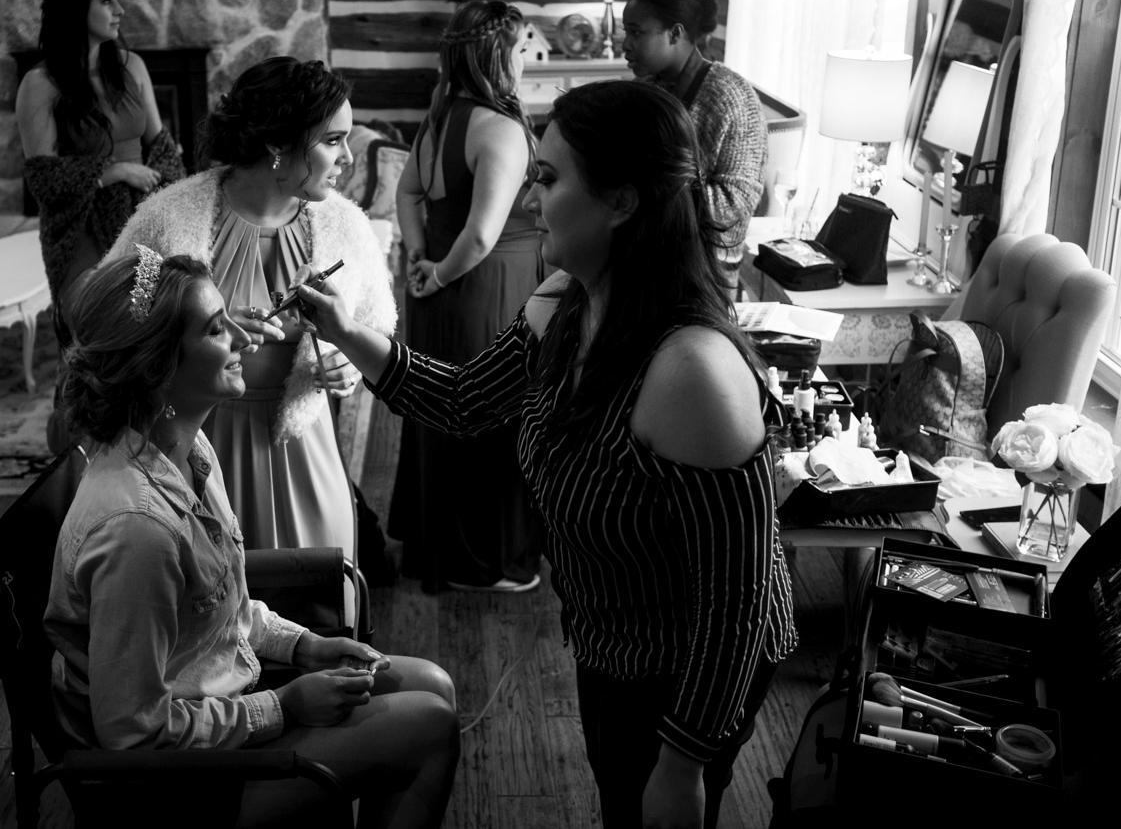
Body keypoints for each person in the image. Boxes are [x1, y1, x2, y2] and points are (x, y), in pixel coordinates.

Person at [297, 79, 795, 829]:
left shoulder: (693, 370)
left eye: (549, 177)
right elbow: (465, 399)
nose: (530, 199)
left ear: (623, 200)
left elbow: (736, 603)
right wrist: (344, 329)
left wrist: (684, 761)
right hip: (609, 641)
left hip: (690, 676)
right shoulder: (567, 299)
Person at [46, 244, 458, 820]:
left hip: (219, 705)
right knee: (431, 726)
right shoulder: (136, 530)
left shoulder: (188, 447)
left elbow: (217, 610)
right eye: (219, 330)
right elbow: (133, 736)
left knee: (433, 684)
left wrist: (301, 645)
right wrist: (284, 707)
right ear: (159, 366)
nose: (245, 340)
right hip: (180, 786)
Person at [103, 59, 394, 561]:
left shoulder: (346, 227)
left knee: (316, 598)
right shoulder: (170, 219)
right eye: (332, 140)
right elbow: (120, 317)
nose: (349, 156)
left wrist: (345, 365)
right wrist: (205, 321)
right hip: (195, 445)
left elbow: (377, 333)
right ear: (278, 146)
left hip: (302, 446)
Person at [391, 0, 541, 593]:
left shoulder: (439, 116)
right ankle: (485, 562)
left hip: (441, 285)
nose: (527, 60)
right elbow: (481, 235)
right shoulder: (499, 128)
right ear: (497, 55)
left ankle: (443, 547)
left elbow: (407, 196)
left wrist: (418, 257)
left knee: (442, 412)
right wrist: (444, 271)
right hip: (483, 289)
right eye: (522, 47)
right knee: (491, 415)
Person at [16, 0, 178, 321]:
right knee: (99, 317)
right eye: (106, 1)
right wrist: (116, 171)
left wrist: (165, 202)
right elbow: (44, 180)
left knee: (147, 313)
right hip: (82, 225)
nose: (119, 10)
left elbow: (163, 147)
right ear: (76, 8)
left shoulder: (131, 66)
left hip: (142, 216)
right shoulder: (39, 85)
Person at [620, 0, 767, 307]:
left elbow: (733, 208)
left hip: (700, 281)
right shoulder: (650, 89)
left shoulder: (731, 99)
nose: (624, 45)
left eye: (636, 32)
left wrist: (646, 182)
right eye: (625, 32)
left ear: (675, 33)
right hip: (643, 262)